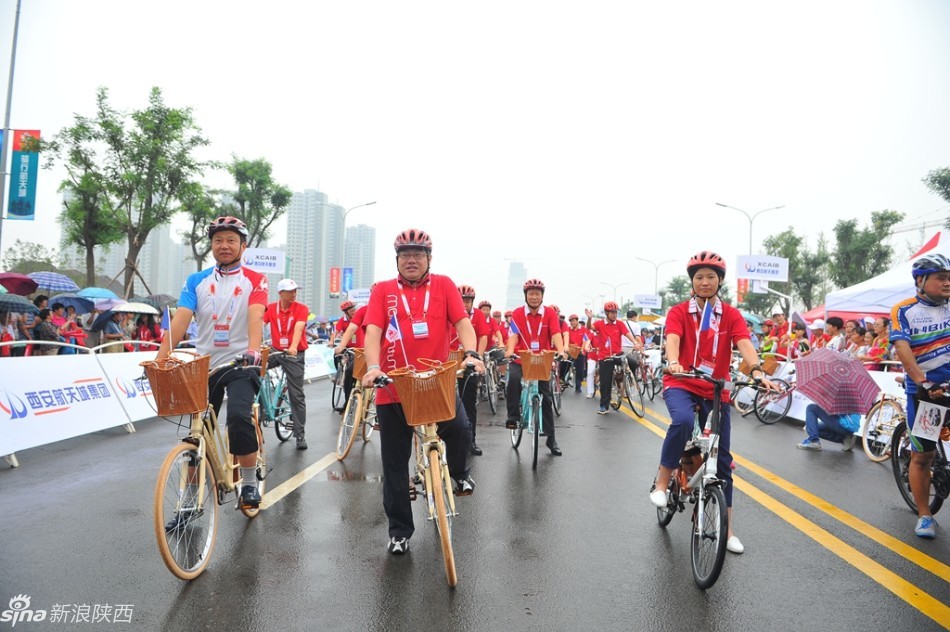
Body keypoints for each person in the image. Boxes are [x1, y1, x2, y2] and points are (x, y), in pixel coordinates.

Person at [361, 228, 481, 555]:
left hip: (435, 383)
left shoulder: (444, 286)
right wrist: (373, 367)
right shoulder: (383, 291)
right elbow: (373, 333)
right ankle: (399, 531)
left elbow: (462, 324)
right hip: (394, 386)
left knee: (458, 430)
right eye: (404, 255)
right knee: (395, 465)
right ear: (397, 260)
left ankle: (457, 473)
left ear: (429, 258)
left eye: (418, 254)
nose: (411, 260)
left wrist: (471, 353)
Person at [648, 251, 775, 555]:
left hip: (715, 389)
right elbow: (674, 339)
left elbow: (744, 343)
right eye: (699, 277)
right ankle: (663, 485)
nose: (705, 282)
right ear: (692, 282)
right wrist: (674, 361)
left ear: (720, 281)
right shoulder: (679, 312)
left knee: (722, 463)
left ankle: (727, 531)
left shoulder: (731, 315)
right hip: (681, 382)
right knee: (680, 423)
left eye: (711, 277)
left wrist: (756, 369)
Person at [157, 215, 268, 511]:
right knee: (195, 431)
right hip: (204, 365)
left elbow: (256, 315)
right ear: (211, 246)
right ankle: (190, 502)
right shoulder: (196, 281)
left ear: (243, 245)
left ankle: (247, 482)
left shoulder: (255, 280)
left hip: (241, 363)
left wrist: (254, 349)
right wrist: (160, 358)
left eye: (231, 240)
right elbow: (180, 319)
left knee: (238, 419)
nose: (224, 245)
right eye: (218, 240)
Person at [890, 253, 950, 539]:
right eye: (942, 278)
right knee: (923, 456)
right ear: (921, 280)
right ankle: (925, 515)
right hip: (927, 391)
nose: (948, 283)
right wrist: (922, 381)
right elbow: (902, 347)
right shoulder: (904, 310)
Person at [504, 278, 567, 455]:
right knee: (514, 381)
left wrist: (561, 350)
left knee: (546, 397)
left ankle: (551, 439)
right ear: (525, 295)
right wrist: (509, 350)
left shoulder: (549, 314)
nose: (534, 297)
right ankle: (513, 418)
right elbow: (513, 334)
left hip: (541, 360)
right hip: (521, 358)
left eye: (537, 294)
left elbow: (555, 333)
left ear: (542, 296)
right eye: (531, 293)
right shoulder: (517, 313)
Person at [264, 278, 310, 450]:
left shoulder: (301, 308)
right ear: (280, 293)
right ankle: (260, 406)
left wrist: (292, 347)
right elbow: (260, 323)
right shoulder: (271, 308)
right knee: (252, 368)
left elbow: (298, 328)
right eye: (290, 291)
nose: (294, 294)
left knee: (296, 394)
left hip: (294, 354)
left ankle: (300, 434)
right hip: (275, 351)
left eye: (295, 291)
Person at [453, 285, 490, 456]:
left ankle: (471, 440)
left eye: (467, 301)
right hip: (450, 360)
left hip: (469, 361)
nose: (464, 304)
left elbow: (483, 336)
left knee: (469, 403)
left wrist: (477, 356)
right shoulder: (449, 312)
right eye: (462, 301)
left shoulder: (479, 315)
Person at [586, 301, 640, 415]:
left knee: (634, 363)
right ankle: (604, 405)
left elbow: (627, 334)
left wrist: (635, 342)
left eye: (616, 312)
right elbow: (589, 327)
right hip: (605, 357)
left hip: (618, 354)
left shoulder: (619, 324)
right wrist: (589, 318)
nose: (614, 314)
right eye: (612, 312)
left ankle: (623, 379)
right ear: (606, 313)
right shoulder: (600, 324)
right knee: (605, 383)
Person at [332, 300, 360, 412]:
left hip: (361, 350)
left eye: (354, 309)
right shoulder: (342, 321)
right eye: (351, 310)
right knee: (336, 355)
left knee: (352, 373)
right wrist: (331, 341)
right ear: (346, 312)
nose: (354, 312)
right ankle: (338, 374)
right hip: (348, 348)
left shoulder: (360, 316)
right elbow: (335, 332)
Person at [567, 314, 588, 394]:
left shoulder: (583, 329)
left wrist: (582, 349)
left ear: (577, 321)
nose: (572, 323)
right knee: (565, 363)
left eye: (574, 321)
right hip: (571, 351)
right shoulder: (568, 329)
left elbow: (585, 340)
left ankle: (578, 385)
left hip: (580, 351)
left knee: (580, 371)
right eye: (571, 321)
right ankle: (564, 379)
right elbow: (566, 339)